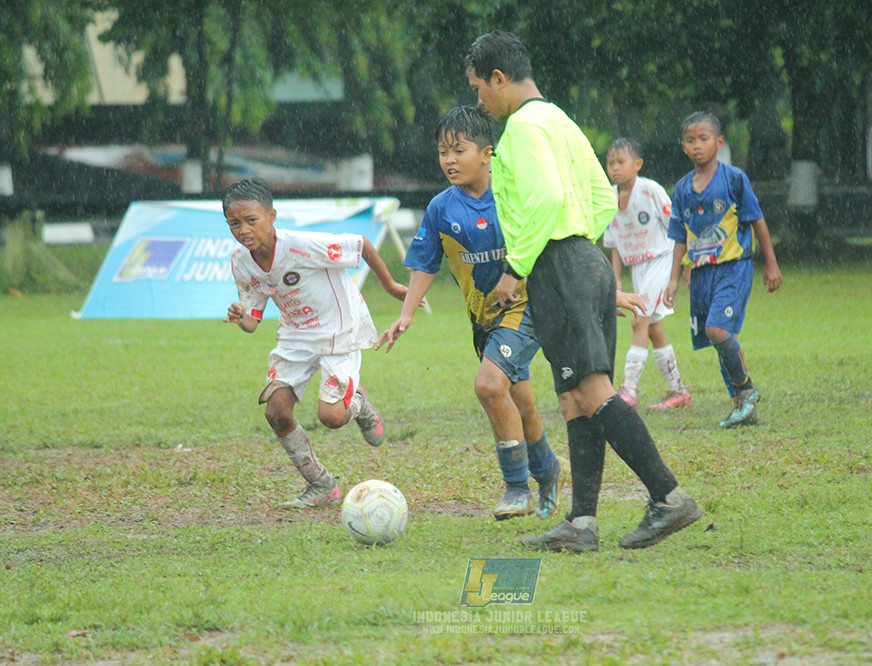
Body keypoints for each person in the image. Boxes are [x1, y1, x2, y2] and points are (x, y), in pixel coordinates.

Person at [465, 30, 702, 553]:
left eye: (480, 87)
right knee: (573, 399)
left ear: (499, 79)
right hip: (583, 262)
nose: (479, 100)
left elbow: (548, 198)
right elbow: (601, 196)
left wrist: (515, 266)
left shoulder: (523, 128)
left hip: (558, 266)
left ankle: (668, 497)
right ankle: (581, 524)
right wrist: (585, 252)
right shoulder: (560, 119)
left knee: (593, 393)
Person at [376, 105, 568, 521]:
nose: (448, 160)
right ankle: (549, 470)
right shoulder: (441, 208)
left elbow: (550, 241)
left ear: (487, 154)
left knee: (487, 385)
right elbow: (426, 262)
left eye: (458, 150)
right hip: (483, 319)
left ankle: (517, 487)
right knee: (520, 400)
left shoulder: (514, 195)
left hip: (525, 309)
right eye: (443, 151)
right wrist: (406, 314)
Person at [222, 177, 408, 508]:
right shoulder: (241, 261)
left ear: (272, 216)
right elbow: (252, 321)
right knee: (276, 413)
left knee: (332, 418)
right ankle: (322, 485)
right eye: (234, 223)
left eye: (251, 220)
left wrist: (391, 286)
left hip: (338, 329)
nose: (243, 230)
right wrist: (241, 317)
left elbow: (360, 243)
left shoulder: (300, 245)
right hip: (294, 334)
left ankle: (359, 404)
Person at [663, 112, 782, 428]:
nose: (697, 146)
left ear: (719, 142)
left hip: (734, 268)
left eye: (703, 139)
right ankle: (742, 409)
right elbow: (679, 236)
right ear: (683, 147)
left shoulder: (733, 179)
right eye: (690, 141)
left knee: (717, 330)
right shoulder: (682, 189)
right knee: (717, 339)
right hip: (701, 274)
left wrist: (771, 264)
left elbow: (757, 220)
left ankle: (746, 389)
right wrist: (674, 278)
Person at [603, 137, 691, 410]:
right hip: (638, 268)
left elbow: (677, 228)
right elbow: (614, 244)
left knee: (638, 320)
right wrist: (616, 279)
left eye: (621, 162)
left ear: (638, 164)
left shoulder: (651, 190)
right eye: (610, 163)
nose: (615, 168)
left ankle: (629, 391)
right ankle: (678, 390)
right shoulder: (608, 197)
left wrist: (683, 268)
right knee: (653, 328)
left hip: (662, 260)